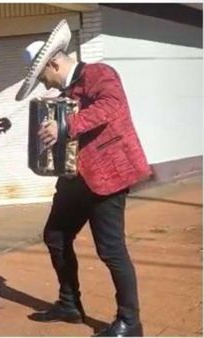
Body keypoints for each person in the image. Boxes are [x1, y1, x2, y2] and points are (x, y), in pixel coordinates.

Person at [15, 20, 151, 336]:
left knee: (111, 250)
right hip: (74, 179)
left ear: (53, 63)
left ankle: (130, 322)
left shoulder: (99, 74)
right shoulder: (64, 93)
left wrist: (63, 126)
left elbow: (111, 107)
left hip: (109, 176)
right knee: (56, 236)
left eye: (43, 77)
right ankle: (70, 304)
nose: (45, 85)